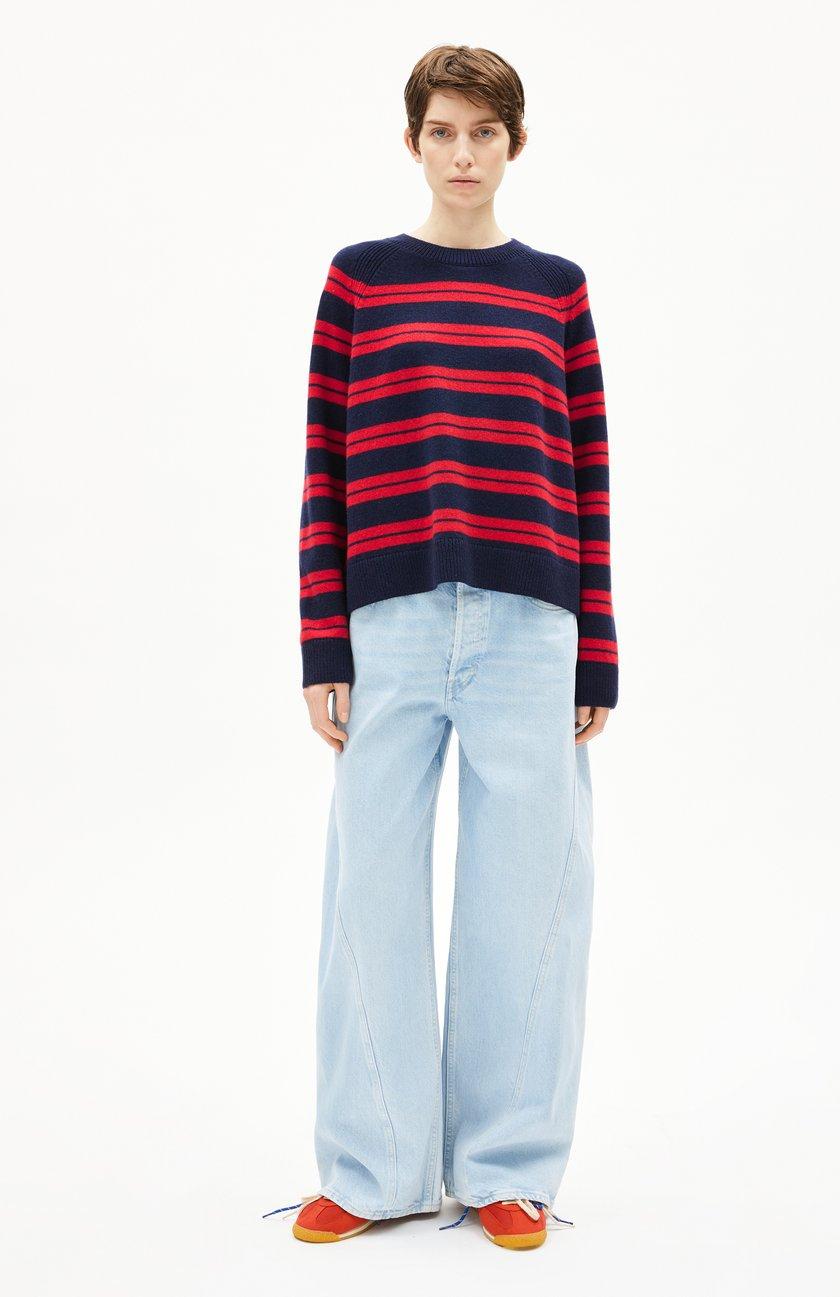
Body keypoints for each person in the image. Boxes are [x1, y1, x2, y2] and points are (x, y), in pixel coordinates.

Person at [288, 43, 619, 1250]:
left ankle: (507, 1168)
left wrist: (598, 649)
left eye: (485, 133)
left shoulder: (556, 289)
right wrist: (322, 640)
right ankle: (374, 1166)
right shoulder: (360, 281)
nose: (464, 153)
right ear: (413, 140)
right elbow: (324, 466)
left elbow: (589, 471)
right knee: (368, 887)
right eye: (443, 131)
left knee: (527, 899)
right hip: (389, 620)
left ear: (514, 144)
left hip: (535, 623)